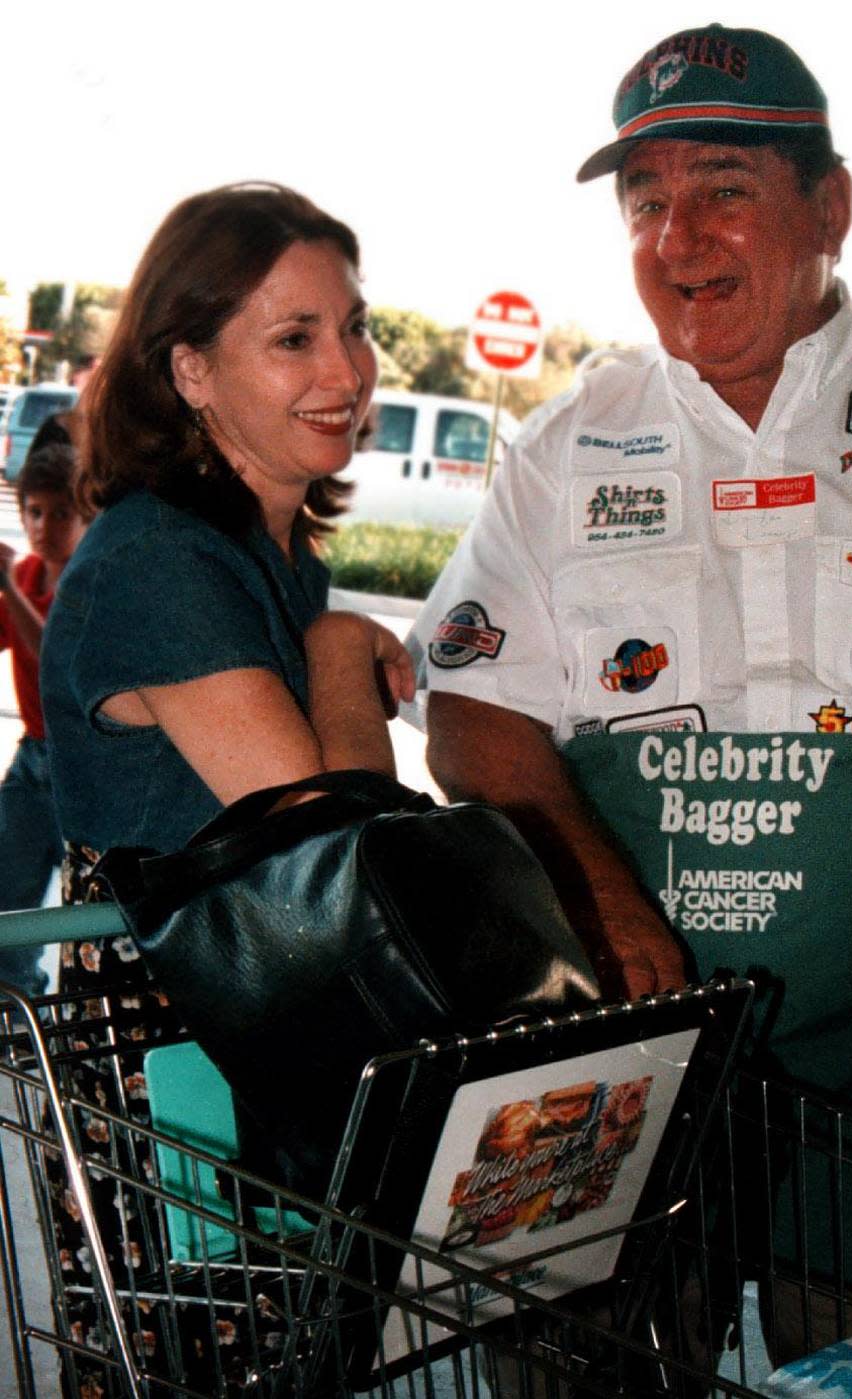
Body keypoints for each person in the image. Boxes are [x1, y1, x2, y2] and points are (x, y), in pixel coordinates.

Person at [407, 24, 852, 1367]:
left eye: (724, 189)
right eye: (646, 205)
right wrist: (602, 888)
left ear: (833, 207)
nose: (678, 239)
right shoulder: (565, 448)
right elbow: (472, 702)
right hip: (630, 1061)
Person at [39, 182, 412, 1395]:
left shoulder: (270, 554)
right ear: (190, 370)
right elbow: (325, 848)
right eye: (293, 338)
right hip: (180, 1052)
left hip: (258, 1041)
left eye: (352, 326)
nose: (346, 370)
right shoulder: (159, 558)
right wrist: (342, 653)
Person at [0, 444, 86, 994]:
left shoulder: (85, 582)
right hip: (35, 758)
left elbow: (51, 654)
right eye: (34, 511)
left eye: (60, 513)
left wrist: (5, 587)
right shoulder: (27, 572)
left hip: (84, 768)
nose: (43, 525)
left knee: (88, 909)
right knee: (9, 892)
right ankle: (16, 1002)